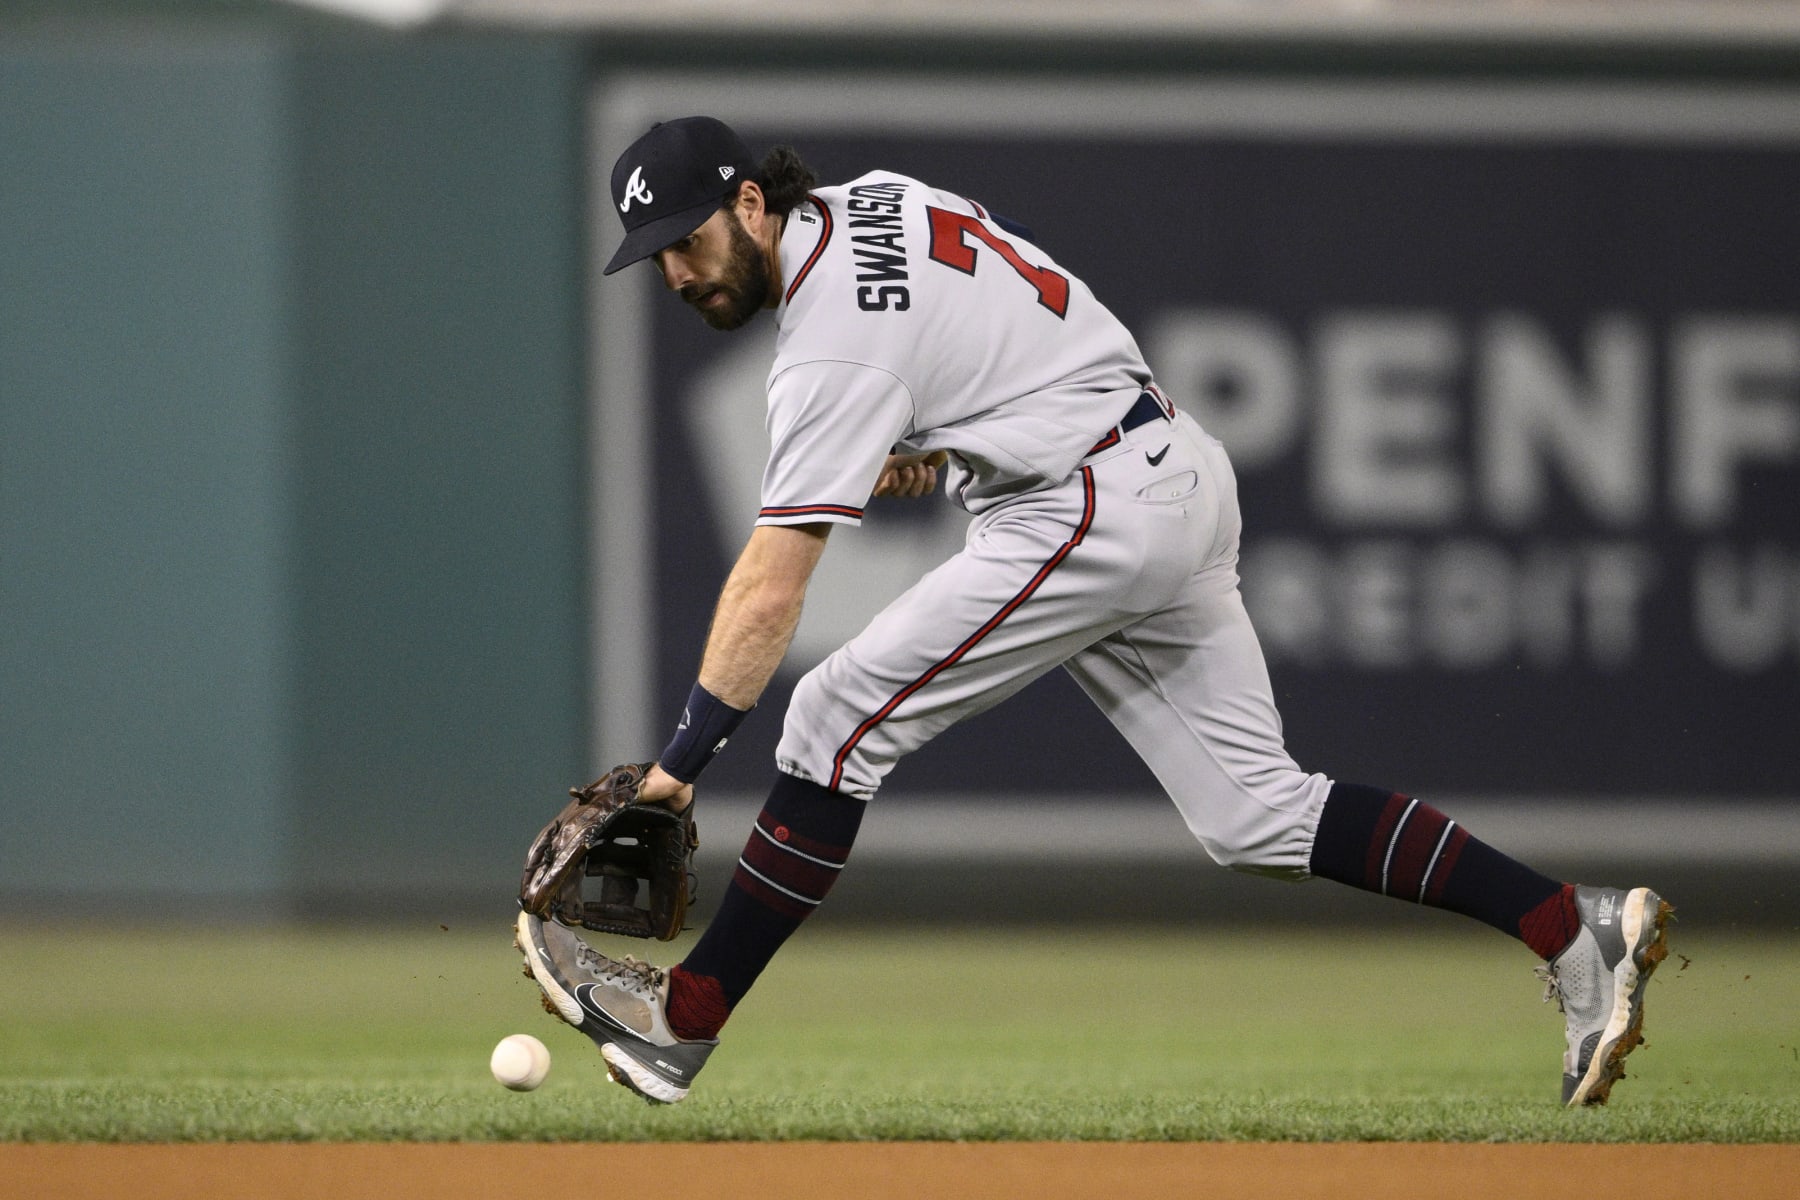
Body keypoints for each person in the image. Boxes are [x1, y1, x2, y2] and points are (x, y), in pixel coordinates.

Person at [514, 115, 1671, 1107]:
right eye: (654, 256)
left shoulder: (826, 354)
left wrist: (678, 766)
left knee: (831, 716)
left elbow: (772, 581)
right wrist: (934, 436)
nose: (675, 272)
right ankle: (1573, 927)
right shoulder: (875, 200)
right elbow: (965, 332)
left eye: (689, 238)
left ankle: (688, 1019)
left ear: (752, 203)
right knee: (1255, 817)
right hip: (1165, 466)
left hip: (1086, 499)